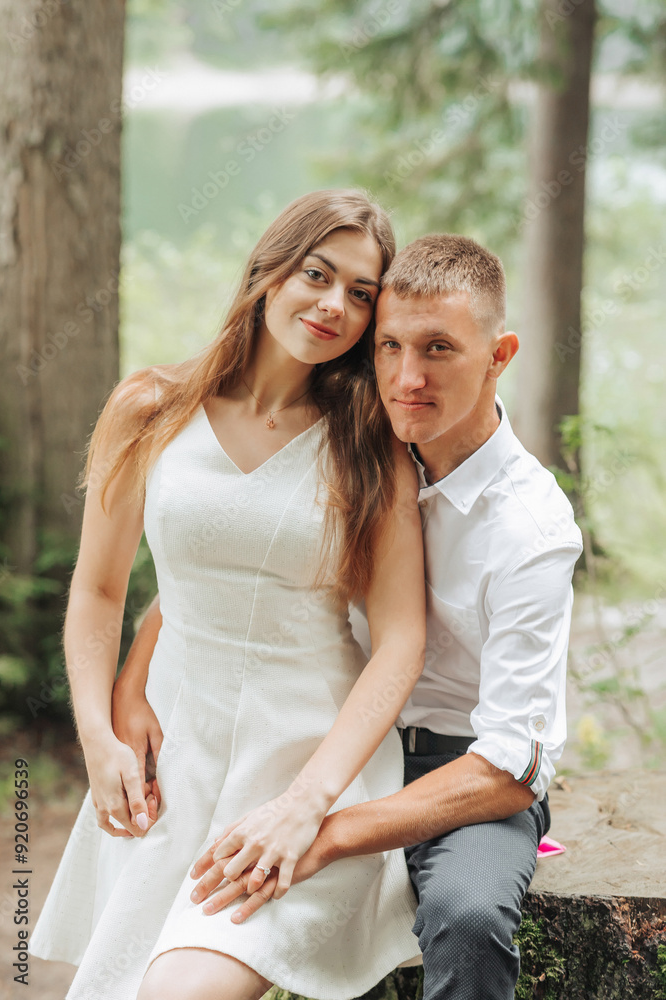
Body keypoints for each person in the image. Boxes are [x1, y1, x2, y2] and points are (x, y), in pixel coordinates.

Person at [122, 233, 583, 1000]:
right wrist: (132, 685)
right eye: (391, 346)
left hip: (454, 770)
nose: (407, 378)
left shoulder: (529, 528)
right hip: (319, 742)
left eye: (439, 349)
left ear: (498, 355)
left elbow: (512, 766)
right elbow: (233, 570)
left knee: (468, 916)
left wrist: (326, 830)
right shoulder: (356, 446)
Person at [29, 189, 429, 1000]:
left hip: (309, 761)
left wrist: (307, 805)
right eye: (317, 274)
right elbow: (102, 590)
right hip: (175, 755)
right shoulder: (148, 408)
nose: (333, 306)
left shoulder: (366, 447)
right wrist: (100, 731)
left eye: (360, 294)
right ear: (268, 270)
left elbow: (400, 640)